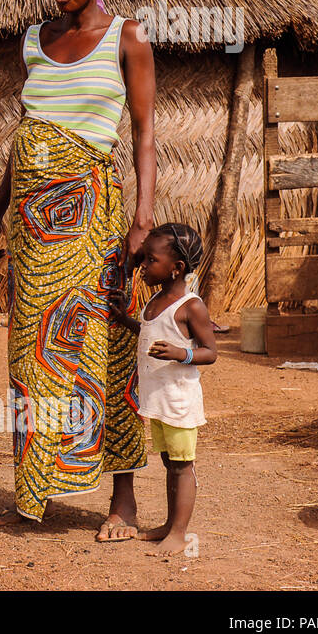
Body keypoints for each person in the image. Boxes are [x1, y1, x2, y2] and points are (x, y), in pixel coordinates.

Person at [0, 0, 156, 537]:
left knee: (100, 347)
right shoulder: (35, 40)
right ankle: (37, 489)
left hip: (92, 224)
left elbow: (143, 134)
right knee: (34, 353)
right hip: (31, 228)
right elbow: (22, 137)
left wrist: (143, 220)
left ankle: (123, 501)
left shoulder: (128, 37)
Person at [109, 223, 216, 556]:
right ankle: (170, 526)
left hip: (179, 402)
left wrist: (181, 353)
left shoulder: (191, 306)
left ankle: (180, 534)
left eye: (150, 260)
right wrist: (123, 316)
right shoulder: (156, 300)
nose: (142, 266)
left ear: (176, 268)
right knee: (171, 463)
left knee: (183, 466)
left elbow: (210, 351)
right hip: (159, 401)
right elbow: (148, 331)